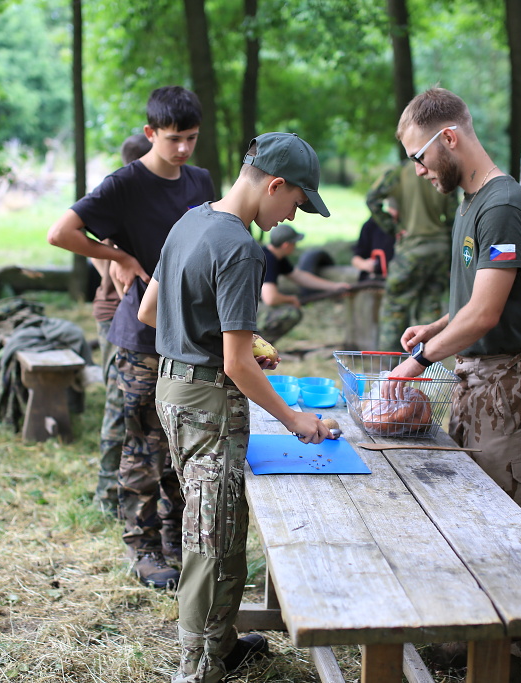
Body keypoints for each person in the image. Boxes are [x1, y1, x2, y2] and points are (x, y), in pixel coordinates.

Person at [137, 131, 332, 683]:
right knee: (210, 537)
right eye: (295, 202)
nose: (291, 215)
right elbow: (238, 365)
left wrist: (238, 339)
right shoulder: (243, 249)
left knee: (219, 520)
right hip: (208, 404)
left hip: (173, 391)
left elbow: (152, 310)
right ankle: (196, 667)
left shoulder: (190, 221)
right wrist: (296, 420)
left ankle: (220, 642)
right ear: (274, 184)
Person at [47, 86, 213, 589]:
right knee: (142, 447)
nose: (182, 149)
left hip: (189, 337)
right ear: (149, 134)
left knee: (180, 443)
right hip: (139, 337)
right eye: (172, 139)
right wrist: (118, 257)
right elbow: (61, 232)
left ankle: (174, 543)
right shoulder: (124, 184)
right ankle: (142, 552)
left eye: (190, 138)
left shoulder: (201, 181)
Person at [386, 87, 521, 526]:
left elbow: (485, 314)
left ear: (449, 137)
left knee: (508, 525)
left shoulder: (501, 207)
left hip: (509, 390)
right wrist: (436, 327)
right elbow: (477, 299)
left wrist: (420, 361)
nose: (419, 170)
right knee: (474, 516)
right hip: (476, 383)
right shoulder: (472, 202)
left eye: (417, 157)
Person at [91, 132, 154, 518]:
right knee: (118, 405)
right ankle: (106, 494)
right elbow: (106, 261)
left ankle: (116, 489)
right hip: (117, 316)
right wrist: (117, 261)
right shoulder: (123, 198)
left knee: (125, 407)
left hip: (127, 317)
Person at [366, 165, 458, 351]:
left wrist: (393, 228)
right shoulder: (442, 171)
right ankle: (427, 365)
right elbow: (452, 217)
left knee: (394, 308)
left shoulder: (398, 173)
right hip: (439, 249)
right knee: (430, 307)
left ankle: (389, 372)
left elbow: (372, 199)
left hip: (411, 249)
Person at [257, 223, 350, 343]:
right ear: (286, 245)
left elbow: (301, 277)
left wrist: (334, 287)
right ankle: (258, 346)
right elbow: (270, 298)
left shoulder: (275, 256)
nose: (295, 246)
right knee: (291, 313)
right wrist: (291, 299)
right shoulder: (269, 260)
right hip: (246, 310)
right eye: (294, 243)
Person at [350, 195, 396, 281]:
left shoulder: (412, 226)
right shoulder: (372, 225)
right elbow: (356, 258)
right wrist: (365, 264)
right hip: (375, 282)